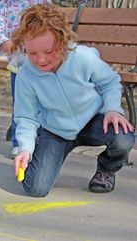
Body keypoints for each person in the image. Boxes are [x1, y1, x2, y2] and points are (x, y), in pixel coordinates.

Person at [12, 3, 135, 196]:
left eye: (49, 51)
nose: (41, 60)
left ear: (62, 41)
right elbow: (26, 118)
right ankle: (36, 157)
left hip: (93, 121)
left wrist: (112, 108)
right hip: (56, 130)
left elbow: (110, 82)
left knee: (124, 138)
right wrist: (25, 148)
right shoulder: (26, 76)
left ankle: (106, 169)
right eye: (32, 53)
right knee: (36, 189)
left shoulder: (83, 57)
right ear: (23, 47)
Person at [0, 0, 52, 159]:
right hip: (19, 63)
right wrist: (3, 41)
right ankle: (20, 143)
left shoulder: (42, 2)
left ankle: (40, 139)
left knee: (42, 101)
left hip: (41, 60)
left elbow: (51, 21)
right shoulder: (5, 4)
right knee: (21, 102)